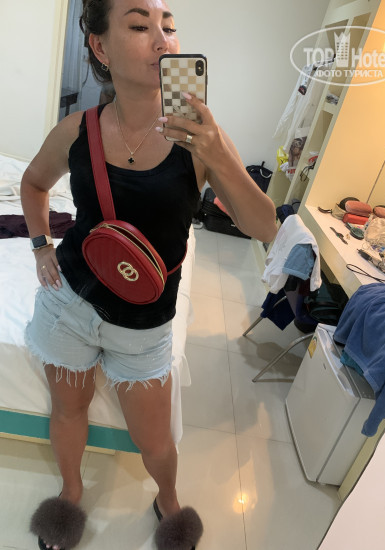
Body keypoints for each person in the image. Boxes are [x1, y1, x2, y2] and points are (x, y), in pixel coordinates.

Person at [21, 1, 277, 549]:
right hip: (70, 303)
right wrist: (41, 246)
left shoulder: (200, 140)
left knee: (155, 441)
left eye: (169, 26)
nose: (163, 40)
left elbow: (264, 227)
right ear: (101, 47)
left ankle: (169, 499)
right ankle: (70, 493)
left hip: (145, 322)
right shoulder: (77, 130)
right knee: (68, 412)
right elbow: (34, 183)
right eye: (140, 26)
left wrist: (219, 156)